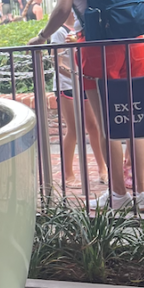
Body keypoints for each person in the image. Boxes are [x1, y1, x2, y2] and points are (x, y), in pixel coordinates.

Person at [29, 0, 144, 212]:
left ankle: (118, 195)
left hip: (96, 51)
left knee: (107, 125)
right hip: (134, 46)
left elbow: (63, 9)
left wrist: (41, 37)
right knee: (136, 121)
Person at [51, 13, 108, 190]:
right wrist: (76, 76)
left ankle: (103, 168)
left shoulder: (82, 28)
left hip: (85, 82)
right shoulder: (58, 32)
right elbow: (57, 62)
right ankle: (68, 174)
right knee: (74, 129)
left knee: (94, 126)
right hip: (67, 85)